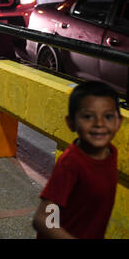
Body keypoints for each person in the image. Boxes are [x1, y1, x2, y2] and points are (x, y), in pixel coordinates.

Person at [32, 81, 122, 239]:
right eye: (88, 117)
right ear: (71, 123)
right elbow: (43, 219)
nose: (99, 124)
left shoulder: (111, 153)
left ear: (118, 122)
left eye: (108, 116)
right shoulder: (71, 164)